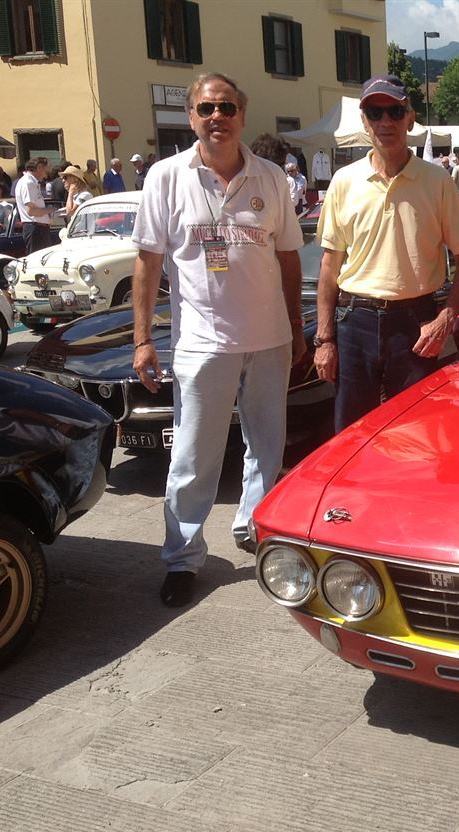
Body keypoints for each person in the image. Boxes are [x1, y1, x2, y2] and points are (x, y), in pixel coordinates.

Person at [131, 72, 305, 607]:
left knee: (266, 446)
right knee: (192, 457)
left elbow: (289, 259)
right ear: (191, 117)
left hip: (269, 338)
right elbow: (147, 261)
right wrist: (143, 340)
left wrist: (297, 330)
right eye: (207, 108)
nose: (217, 117)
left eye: (227, 107)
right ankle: (182, 558)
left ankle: (253, 528)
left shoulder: (272, 178)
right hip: (202, 345)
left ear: (242, 116)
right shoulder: (165, 177)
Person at [312, 74, 459, 435]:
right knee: (351, 436)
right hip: (354, 322)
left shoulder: (437, 181)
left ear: (409, 118)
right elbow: (329, 266)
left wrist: (447, 316)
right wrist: (325, 339)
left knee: (418, 433)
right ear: (364, 120)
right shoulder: (344, 181)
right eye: (375, 112)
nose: (385, 121)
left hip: (416, 324)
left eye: (394, 111)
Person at [14, 157, 52, 253]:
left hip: (37, 228)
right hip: (36, 229)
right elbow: (31, 211)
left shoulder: (30, 182)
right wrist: (51, 210)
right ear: (39, 167)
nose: (47, 174)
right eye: (46, 170)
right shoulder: (28, 183)